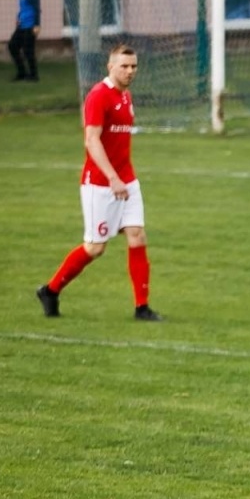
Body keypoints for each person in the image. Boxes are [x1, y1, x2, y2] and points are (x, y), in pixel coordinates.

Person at [37, 46, 161, 321]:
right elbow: (91, 140)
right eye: (124, 66)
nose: (130, 71)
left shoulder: (126, 96)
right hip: (100, 185)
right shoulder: (98, 96)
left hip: (127, 180)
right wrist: (112, 177)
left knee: (137, 235)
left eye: (134, 66)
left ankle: (142, 308)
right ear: (110, 66)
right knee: (95, 248)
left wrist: (122, 177)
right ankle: (50, 290)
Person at [9, 0, 42, 83]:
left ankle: (33, 75)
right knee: (12, 46)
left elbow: (37, 9)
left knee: (28, 51)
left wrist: (37, 25)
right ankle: (21, 72)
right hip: (21, 25)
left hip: (30, 26)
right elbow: (22, 7)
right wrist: (18, 17)